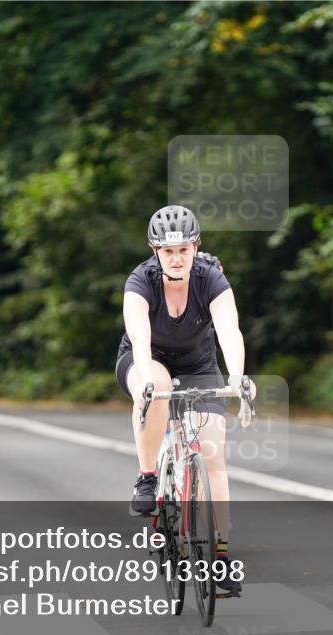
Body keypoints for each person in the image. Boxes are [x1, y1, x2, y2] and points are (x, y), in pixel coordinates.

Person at [116, 204, 253, 596]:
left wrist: (239, 377)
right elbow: (140, 339)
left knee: (213, 454)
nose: (176, 259)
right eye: (167, 251)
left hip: (198, 363)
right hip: (147, 360)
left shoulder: (211, 279)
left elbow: (230, 332)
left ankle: (222, 557)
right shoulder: (140, 281)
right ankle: (147, 479)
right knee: (155, 381)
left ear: (196, 247)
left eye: (184, 251)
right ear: (155, 251)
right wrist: (144, 379)